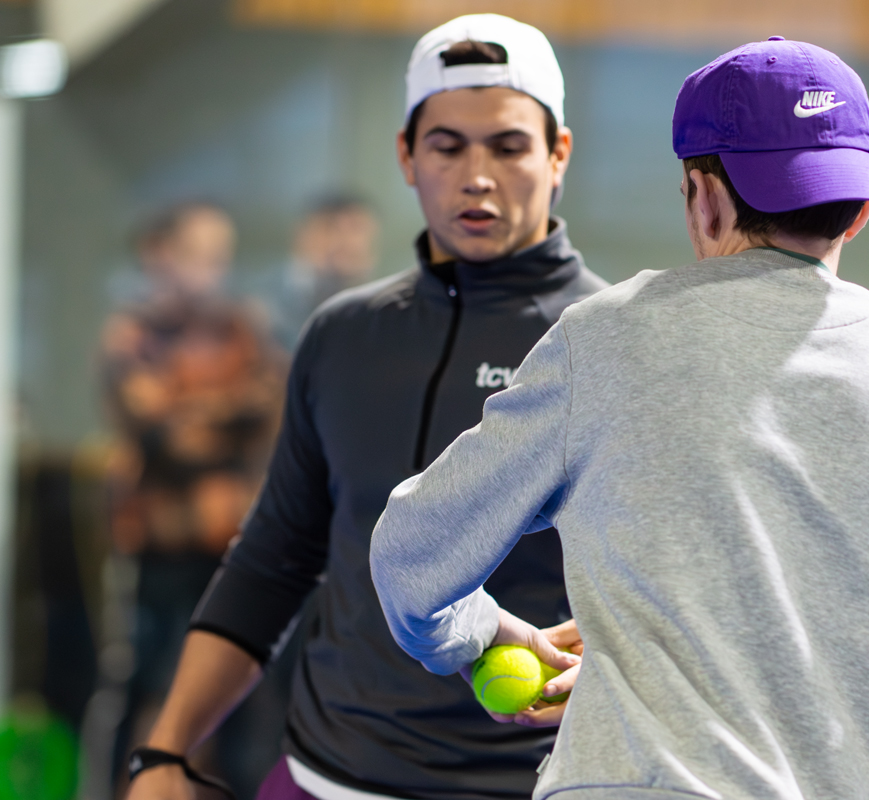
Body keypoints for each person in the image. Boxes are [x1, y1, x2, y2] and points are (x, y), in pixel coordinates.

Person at [370, 38, 869, 800]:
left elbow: (411, 557)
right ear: (855, 213)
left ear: (703, 196)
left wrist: (480, 633)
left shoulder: (606, 342)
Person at [125, 14, 604, 800]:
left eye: (509, 145)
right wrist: (166, 752)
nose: (477, 174)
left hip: (540, 783)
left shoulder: (608, 340)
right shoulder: (343, 335)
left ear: (558, 156)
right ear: (407, 157)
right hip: (325, 773)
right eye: (447, 146)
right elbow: (275, 557)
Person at [102, 201, 286, 793]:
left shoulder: (242, 328)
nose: (209, 269)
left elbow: (271, 411)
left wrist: (192, 411)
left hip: (234, 545)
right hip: (161, 548)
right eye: (195, 254)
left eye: (219, 256)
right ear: (159, 255)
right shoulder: (130, 334)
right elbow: (161, 434)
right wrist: (224, 415)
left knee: (246, 695)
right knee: (147, 687)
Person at [269, 193, 380, 351]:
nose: (349, 242)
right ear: (302, 235)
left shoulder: (380, 307)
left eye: (357, 229)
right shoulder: (261, 306)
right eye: (331, 228)